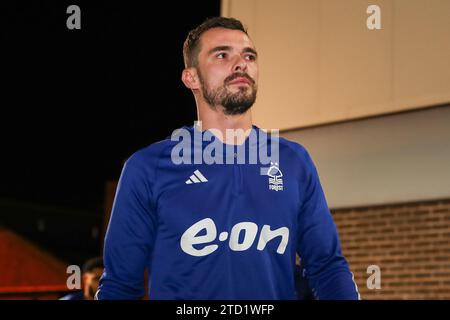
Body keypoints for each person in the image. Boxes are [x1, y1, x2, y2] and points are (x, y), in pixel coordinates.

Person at [97, 17, 359, 300]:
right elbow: (120, 286)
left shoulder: (294, 161)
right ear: (191, 77)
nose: (241, 64)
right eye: (222, 54)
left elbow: (327, 267)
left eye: (248, 56)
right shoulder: (148, 168)